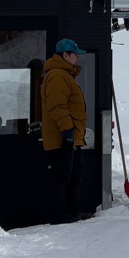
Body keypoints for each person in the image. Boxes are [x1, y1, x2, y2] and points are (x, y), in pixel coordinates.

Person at [41, 38, 87, 222]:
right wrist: (67, 131)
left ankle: (72, 212)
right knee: (62, 177)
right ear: (65, 55)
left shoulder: (65, 75)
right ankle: (60, 215)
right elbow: (57, 106)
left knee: (74, 176)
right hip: (61, 139)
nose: (77, 57)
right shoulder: (57, 76)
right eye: (75, 54)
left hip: (72, 137)